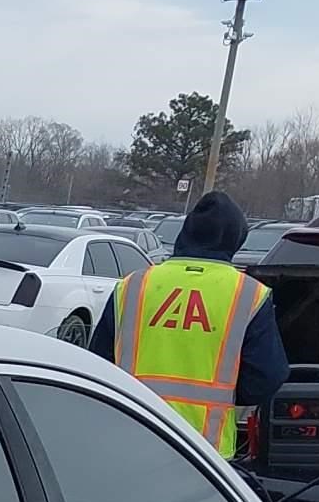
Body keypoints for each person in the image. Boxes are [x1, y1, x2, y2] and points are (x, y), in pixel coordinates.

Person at [90, 190, 288, 458]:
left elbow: (97, 363)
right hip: (203, 453)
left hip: (128, 436)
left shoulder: (134, 285)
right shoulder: (248, 294)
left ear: (186, 233)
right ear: (236, 238)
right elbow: (266, 378)